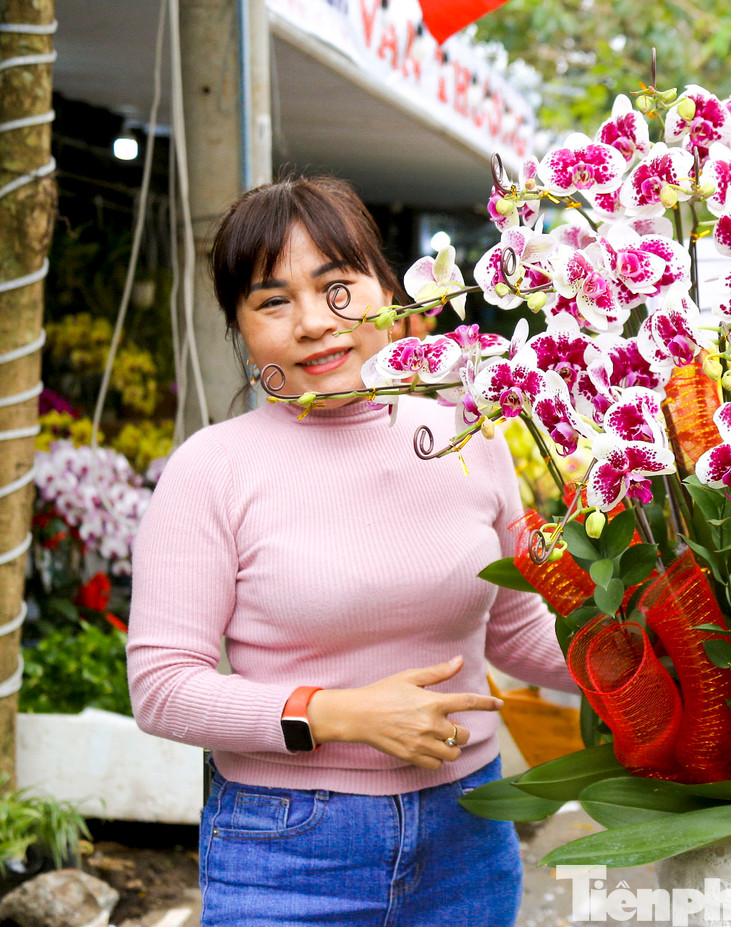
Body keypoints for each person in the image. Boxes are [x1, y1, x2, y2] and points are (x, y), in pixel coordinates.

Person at [126, 175, 574, 926]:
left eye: (338, 285)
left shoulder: (473, 434)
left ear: (388, 291)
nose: (313, 323)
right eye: (273, 301)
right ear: (242, 326)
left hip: (470, 836)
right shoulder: (213, 469)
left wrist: (684, 659)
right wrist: (338, 715)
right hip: (288, 848)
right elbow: (164, 687)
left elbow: (518, 630)